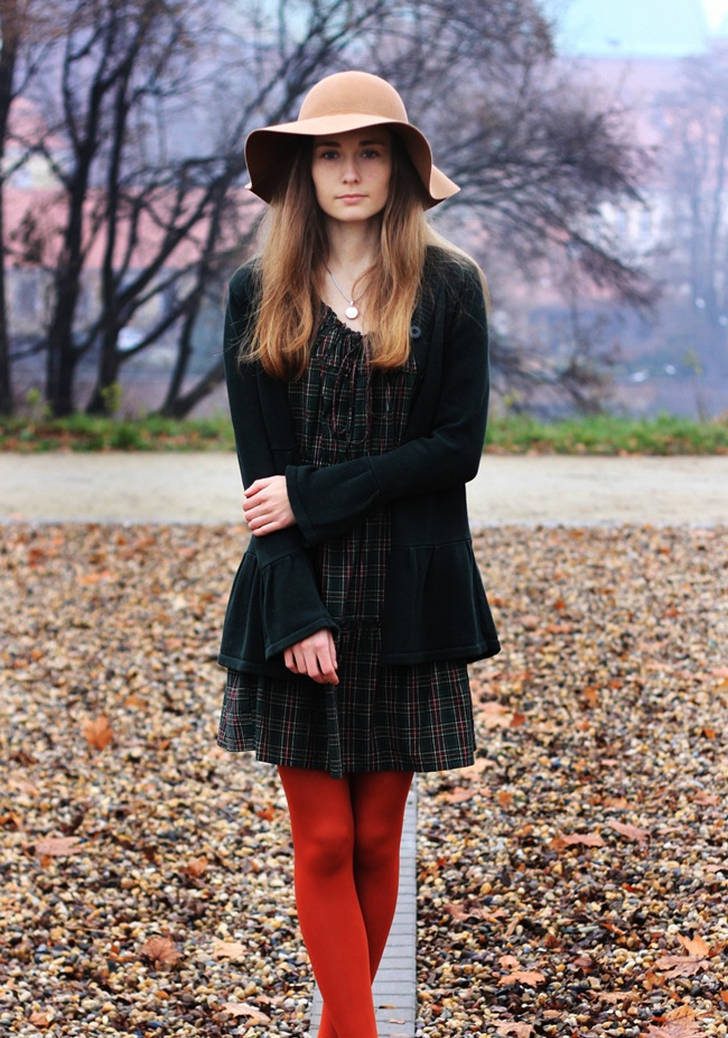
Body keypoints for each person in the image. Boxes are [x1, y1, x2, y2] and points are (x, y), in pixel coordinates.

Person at [215, 69, 501, 1038]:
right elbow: (262, 487)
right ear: (302, 170)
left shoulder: (449, 285)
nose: (348, 172)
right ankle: (355, 1029)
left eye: (368, 152)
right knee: (326, 837)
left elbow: (452, 453)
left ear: (399, 168)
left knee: (379, 835)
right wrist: (294, 611)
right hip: (297, 592)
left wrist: (316, 490)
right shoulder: (257, 292)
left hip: (413, 589)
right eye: (329, 154)